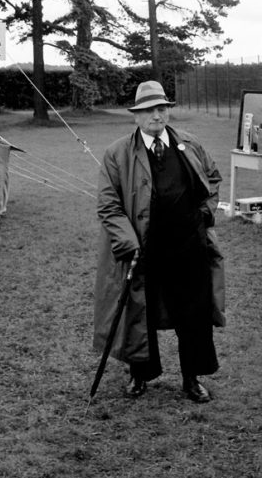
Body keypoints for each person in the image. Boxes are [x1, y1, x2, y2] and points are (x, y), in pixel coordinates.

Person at [94, 80, 225, 403]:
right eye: (149, 110)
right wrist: (128, 242)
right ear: (136, 117)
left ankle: (191, 379)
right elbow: (108, 205)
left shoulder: (190, 145)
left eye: (162, 108)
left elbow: (213, 180)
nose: (157, 115)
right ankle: (140, 375)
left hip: (188, 246)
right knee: (141, 313)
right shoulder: (117, 154)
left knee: (193, 314)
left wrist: (204, 216)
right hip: (144, 248)